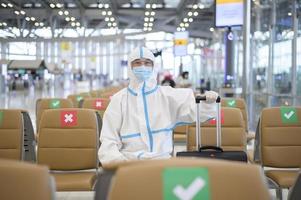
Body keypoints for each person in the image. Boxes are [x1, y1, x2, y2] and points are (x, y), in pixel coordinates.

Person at [98, 47, 218, 165]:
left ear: (153, 66)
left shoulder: (166, 95)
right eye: (137, 63)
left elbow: (194, 111)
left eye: (147, 63)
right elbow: (109, 140)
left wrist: (208, 103)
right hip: (129, 163)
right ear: (130, 67)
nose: (142, 66)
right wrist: (120, 165)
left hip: (162, 163)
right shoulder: (119, 100)